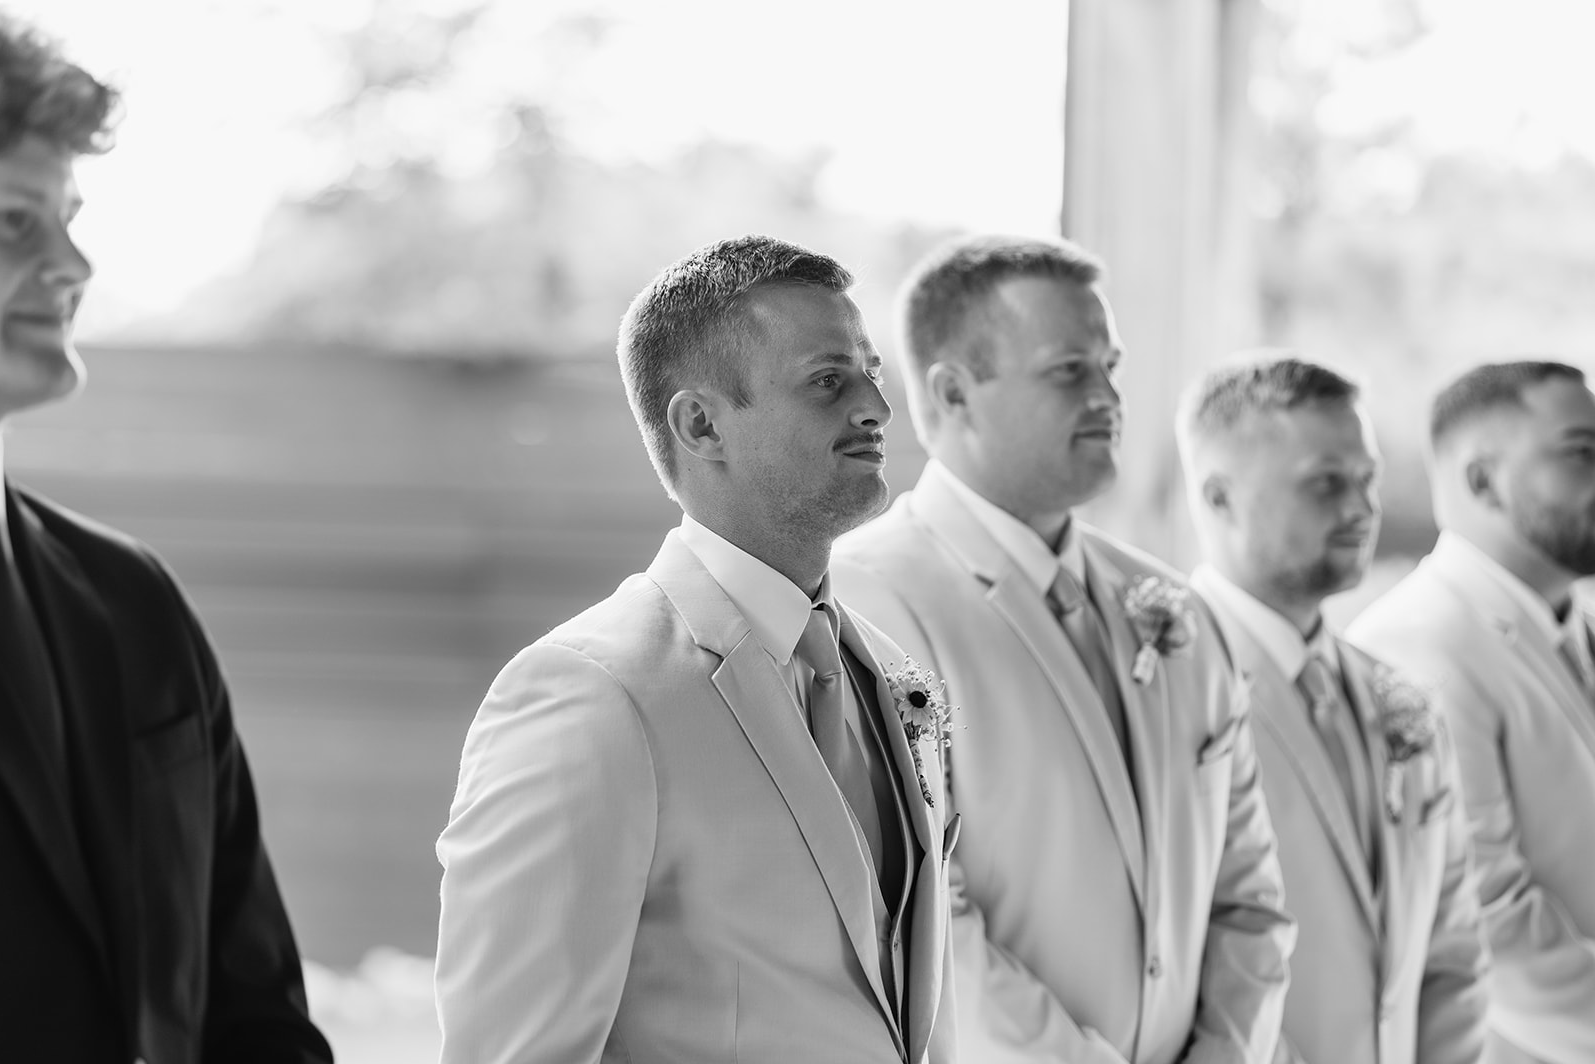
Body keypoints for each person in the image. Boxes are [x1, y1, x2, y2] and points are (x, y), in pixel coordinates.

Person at [435, 234, 958, 1063]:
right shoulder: (590, 695)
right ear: (701, 423)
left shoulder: (889, 669)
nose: (877, 410)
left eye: (873, 374)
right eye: (830, 381)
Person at [832, 234, 1293, 1064]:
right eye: (1069, 371)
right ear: (954, 392)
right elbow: (916, 915)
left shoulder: (1175, 607)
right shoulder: (867, 603)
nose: (1109, 395)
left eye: (1109, 366)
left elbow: (1249, 890)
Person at [0, 14, 332, 1062]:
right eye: (15, 223)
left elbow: (255, 1017)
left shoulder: (133, 601)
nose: (72, 264)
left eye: (70, 218)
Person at [1178, 356, 1488, 1063]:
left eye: (1367, 480)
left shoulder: (1400, 695)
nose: (1361, 508)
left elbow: (1452, 952)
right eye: (1325, 483)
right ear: (1219, 496)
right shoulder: (1163, 688)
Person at [1350, 361, 1595, 1064]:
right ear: (1482, 481)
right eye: (1582, 453)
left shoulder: (1570, 626)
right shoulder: (1414, 648)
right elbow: (1484, 919)